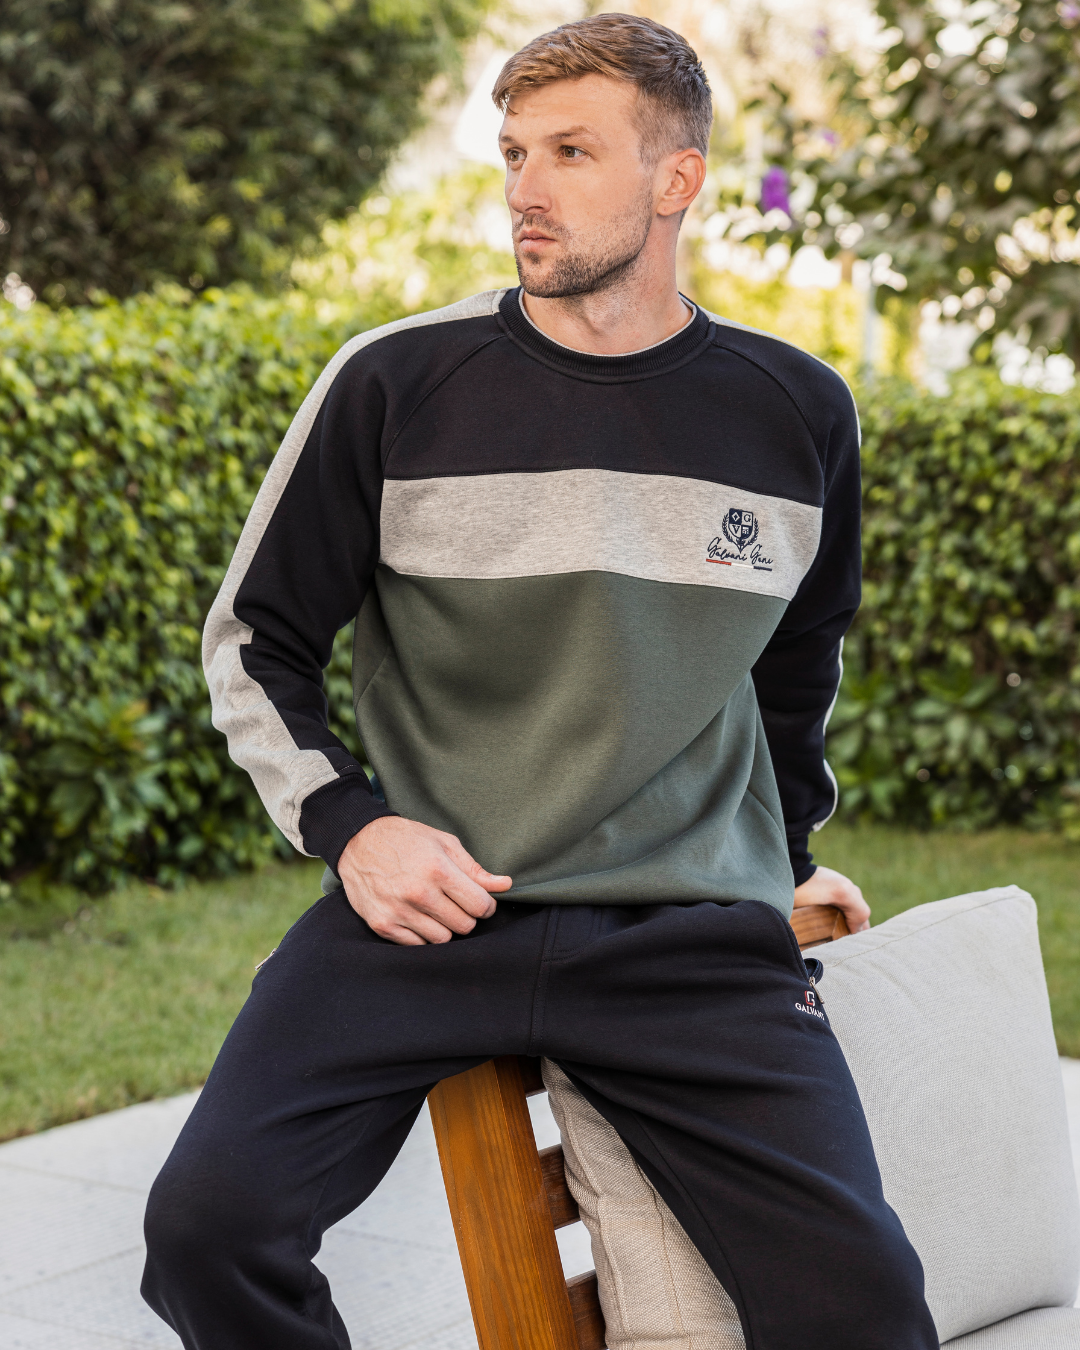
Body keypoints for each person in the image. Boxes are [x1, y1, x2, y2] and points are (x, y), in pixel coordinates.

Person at [141, 13, 937, 1349]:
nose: (526, 187)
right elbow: (254, 637)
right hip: (435, 910)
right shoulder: (395, 382)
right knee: (209, 1231)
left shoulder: (796, 412)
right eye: (516, 152)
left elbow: (796, 678)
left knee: (864, 1305)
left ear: (677, 179)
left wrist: (784, 858)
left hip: (686, 937)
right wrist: (354, 829)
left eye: (572, 151)